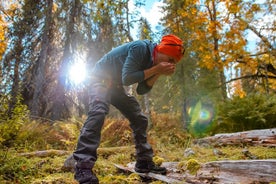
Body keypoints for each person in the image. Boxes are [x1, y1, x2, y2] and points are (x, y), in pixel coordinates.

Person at [73, 34, 185, 184]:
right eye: (170, 59)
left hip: (115, 86)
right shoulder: (141, 48)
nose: (171, 64)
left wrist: (158, 71)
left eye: (174, 62)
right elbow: (127, 78)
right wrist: (157, 68)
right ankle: (82, 168)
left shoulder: (154, 60)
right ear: (162, 50)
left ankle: (144, 164)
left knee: (139, 118)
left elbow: (142, 89)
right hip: (99, 78)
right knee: (98, 111)